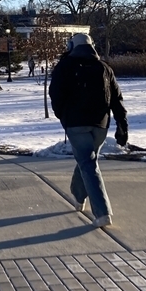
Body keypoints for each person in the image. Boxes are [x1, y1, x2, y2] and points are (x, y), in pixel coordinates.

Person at [48, 33, 128, 229]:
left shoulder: (64, 66)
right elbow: (117, 99)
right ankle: (77, 195)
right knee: (87, 161)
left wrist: (63, 116)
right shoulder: (104, 68)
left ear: (71, 46)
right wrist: (121, 124)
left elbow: (55, 94)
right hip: (100, 124)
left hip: (76, 124)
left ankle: (102, 212)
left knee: (88, 163)